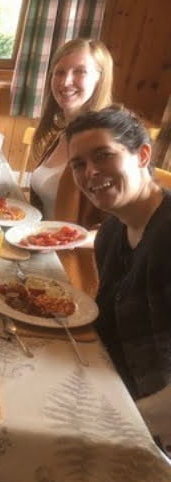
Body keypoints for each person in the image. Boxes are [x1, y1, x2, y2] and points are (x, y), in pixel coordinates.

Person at [67, 105, 170, 455]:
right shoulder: (111, 232)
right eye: (79, 164)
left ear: (142, 155)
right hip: (114, 388)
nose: (91, 172)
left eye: (104, 156)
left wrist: (118, 426)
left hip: (155, 420)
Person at [28, 38, 114, 296]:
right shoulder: (62, 133)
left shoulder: (107, 144)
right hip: (41, 258)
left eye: (80, 72)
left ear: (100, 78)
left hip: (75, 275)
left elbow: (123, 231)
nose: (66, 81)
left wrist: (63, 239)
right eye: (60, 72)